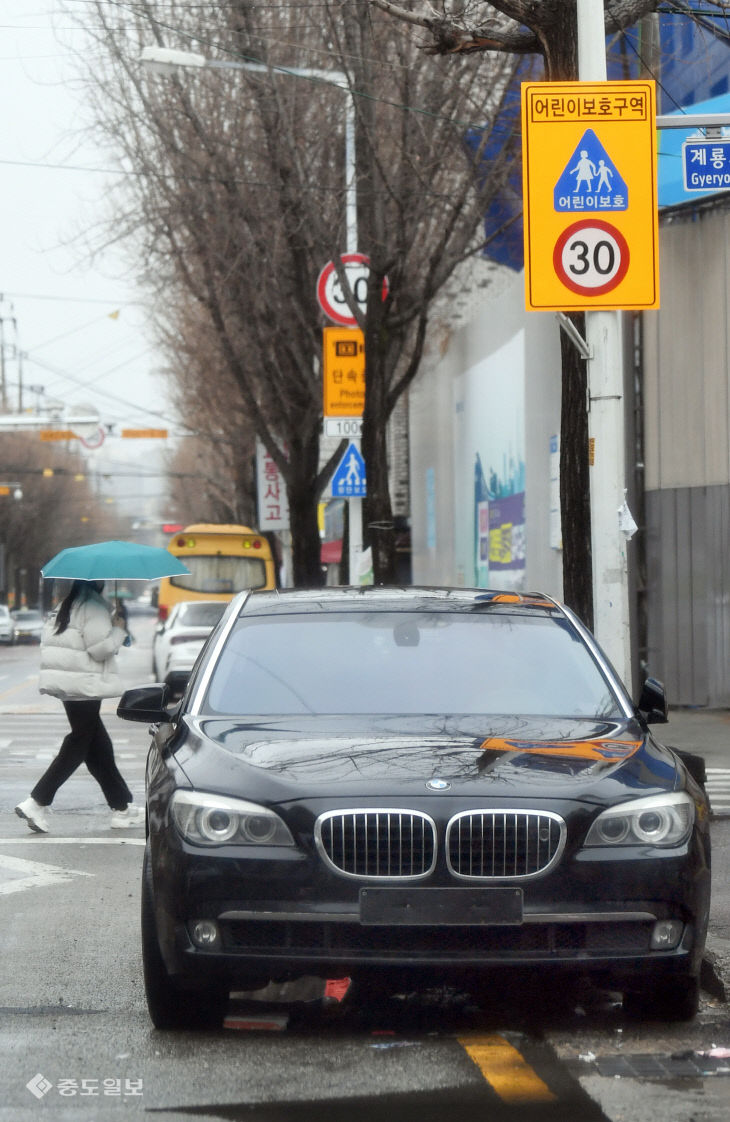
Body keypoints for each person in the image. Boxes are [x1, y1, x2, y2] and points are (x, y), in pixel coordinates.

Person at [14, 579, 144, 834]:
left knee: (99, 747)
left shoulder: (67, 604)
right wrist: (118, 629)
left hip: (69, 685)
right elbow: (100, 649)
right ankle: (37, 802)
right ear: (98, 584)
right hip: (85, 685)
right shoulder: (93, 608)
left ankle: (122, 808)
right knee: (79, 742)